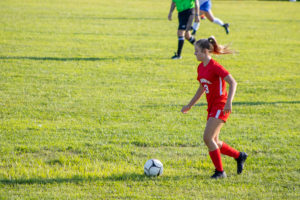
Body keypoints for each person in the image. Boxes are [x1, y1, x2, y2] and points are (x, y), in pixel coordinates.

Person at [181, 36, 247, 179]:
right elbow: (201, 88)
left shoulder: (215, 66)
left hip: (221, 105)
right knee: (215, 141)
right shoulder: (200, 67)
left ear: (205, 52)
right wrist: (189, 105)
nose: (194, 54)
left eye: (196, 51)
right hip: (212, 107)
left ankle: (220, 172)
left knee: (207, 138)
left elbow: (233, 83)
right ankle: (239, 156)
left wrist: (229, 102)